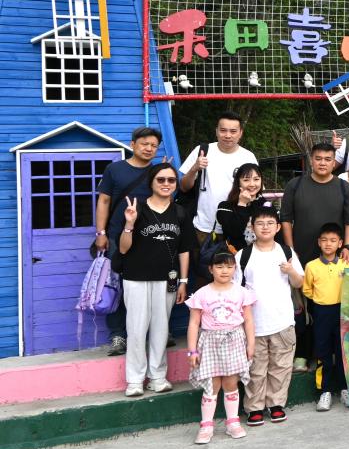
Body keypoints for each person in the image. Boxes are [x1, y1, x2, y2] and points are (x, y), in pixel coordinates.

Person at [280, 142, 349, 373]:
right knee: (302, 307)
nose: (323, 163)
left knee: (332, 307)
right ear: (311, 160)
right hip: (302, 256)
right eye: (318, 158)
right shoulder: (295, 185)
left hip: (335, 259)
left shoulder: (344, 187)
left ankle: (331, 355)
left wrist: (348, 246)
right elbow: (286, 219)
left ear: (334, 162)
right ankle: (302, 354)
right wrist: (290, 249)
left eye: (327, 159)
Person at [118, 164, 193, 397]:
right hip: (136, 277)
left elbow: (185, 249)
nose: (166, 184)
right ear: (151, 182)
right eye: (161, 179)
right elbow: (123, 249)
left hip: (167, 279)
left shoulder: (179, 212)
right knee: (136, 329)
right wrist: (129, 224)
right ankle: (134, 380)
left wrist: (183, 280)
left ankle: (158, 377)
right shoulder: (136, 208)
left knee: (161, 329)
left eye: (171, 180)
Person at [94, 126, 163, 357]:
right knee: (117, 286)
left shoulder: (157, 172)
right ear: (132, 145)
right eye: (144, 144)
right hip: (117, 236)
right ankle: (117, 335)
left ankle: (157, 333)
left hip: (151, 237)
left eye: (153, 145)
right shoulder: (115, 169)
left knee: (152, 286)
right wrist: (100, 233)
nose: (149, 148)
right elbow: (104, 201)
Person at [232, 204, 303, 426]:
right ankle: (254, 408)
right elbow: (235, 290)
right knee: (255, 368)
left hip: (282, 321)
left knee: (281, 367)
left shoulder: (287, 252)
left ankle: (276, 405)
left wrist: (291, 271)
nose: (265, 227)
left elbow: (299, 283)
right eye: (260, 223)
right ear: (252, 227)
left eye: (270, 223)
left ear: (278, 227)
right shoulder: (243, 255)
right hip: (254, 323)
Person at [185, 248, 256, 444]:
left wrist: (251, 344)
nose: (225, 271)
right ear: (211, 269)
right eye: (219, 267)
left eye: (229, 267)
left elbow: (249, 320)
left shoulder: (242, 292)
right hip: (210, 343)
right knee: (212, 384)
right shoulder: (202, 293)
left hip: (235, 341)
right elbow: (194, 324)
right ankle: (206, 426)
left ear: (235, 269)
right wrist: (192, 351)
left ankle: (232, 423)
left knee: (231, 383)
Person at [180, 111, 258, 252]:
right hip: (203, 228)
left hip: (236, 229)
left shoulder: (248, 157)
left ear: (240, 133)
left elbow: (257, 190)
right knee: (201, 265)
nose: (228, 135)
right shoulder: (202, 151)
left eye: (233, 131)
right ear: (216, 131)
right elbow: (184, 187)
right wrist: (194, 168)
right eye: (223, 130)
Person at [302, 223, 349, 411]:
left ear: (340, 243)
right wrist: (321, 300)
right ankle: (325, 391)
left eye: (332, 240)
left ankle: (345, 388)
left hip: (343, 311)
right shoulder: (311, 266)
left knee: (342, 351)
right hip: (321, 312)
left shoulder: (346, 264)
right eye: (324, 240)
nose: (328, 244)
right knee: (323, 352)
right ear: (318, 243)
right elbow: (307, 290)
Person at [215, 163, 264, 255]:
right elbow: (234, 233)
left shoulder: (266, 206)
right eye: (246, 180)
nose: (252, 184)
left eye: (256, 179)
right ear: (238, 182)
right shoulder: (225, 207)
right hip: (234, 258)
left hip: (262, 256)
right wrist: (242, 204)